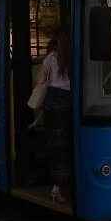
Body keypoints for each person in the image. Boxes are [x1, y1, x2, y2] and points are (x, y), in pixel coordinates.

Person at [42, 27, 72, 204]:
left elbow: (39, 79)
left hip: (51, 103)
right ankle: (59, 186)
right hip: (66, 103)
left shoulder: (51, 57)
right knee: (66, 147)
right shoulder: (72, 58)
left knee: (55, 147)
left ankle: (56, 185)